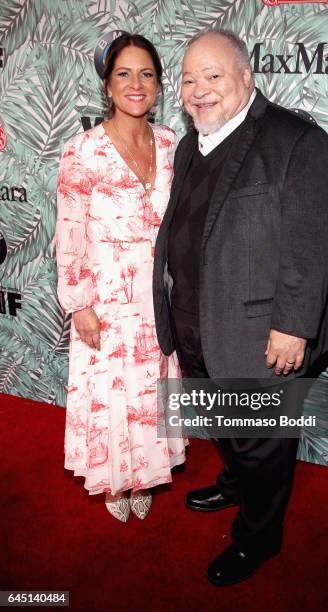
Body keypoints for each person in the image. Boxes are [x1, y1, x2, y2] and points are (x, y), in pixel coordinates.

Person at [153, 29, 328, 584]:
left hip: (262, 334)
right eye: (188, 79)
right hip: (195, 326)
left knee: (263, 443)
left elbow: (313, 242)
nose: (198, 90)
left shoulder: (294, 140)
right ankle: (235, 486)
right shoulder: (191, 145)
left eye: (213, 76)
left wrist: (293, 325)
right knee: (221, 421)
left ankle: (258, 538)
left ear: (246, 77)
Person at [56, 34, 187, 523]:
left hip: (160, 294)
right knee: (111, 389)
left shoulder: (174, 145)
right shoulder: (82, 150)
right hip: (106, 296)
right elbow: (69, 232)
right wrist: (80, 303)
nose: (136, 84)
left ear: (158, 84)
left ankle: (146, 471)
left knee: (150, 386)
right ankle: (114, 478)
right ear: (107, 85)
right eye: (124, 74)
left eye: (146, 74)